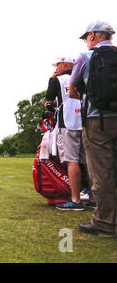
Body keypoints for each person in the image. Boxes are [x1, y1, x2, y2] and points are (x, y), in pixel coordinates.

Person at [69, 20, 117, 237]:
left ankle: (104, 223)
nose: (86, 40)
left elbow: (72, 91)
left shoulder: (85, 57)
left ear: (94, 36)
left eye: (87, 36)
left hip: (97, 122)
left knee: (102, 173)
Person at [45, 56, 87, 211]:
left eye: (57, 65)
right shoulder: (82, 77)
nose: (56, 68)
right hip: (84, 121)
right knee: (86, 161)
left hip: (67, 122)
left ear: (64, 64)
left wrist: (51, 79)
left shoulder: (59, 79)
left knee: (71, 160)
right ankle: (93, 197)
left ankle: (75, 200)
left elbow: (49, 97)